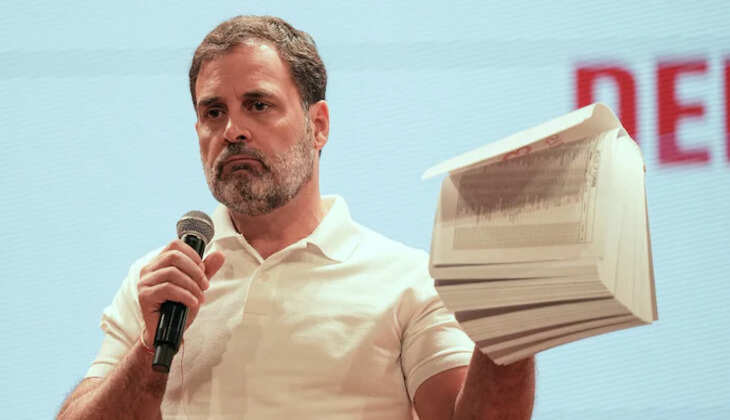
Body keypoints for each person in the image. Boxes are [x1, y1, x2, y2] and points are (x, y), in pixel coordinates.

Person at [58, 15, 535, 420]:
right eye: (214, 112)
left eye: (258, 105)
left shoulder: (407, 281)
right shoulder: (161, 284)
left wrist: (514, 320)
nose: (233, 131)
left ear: (318, 125)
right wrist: (148, 351)